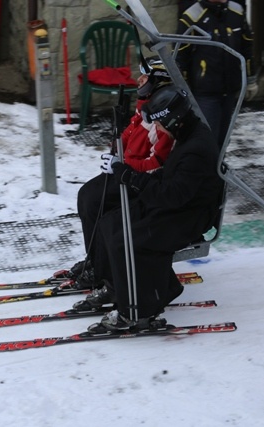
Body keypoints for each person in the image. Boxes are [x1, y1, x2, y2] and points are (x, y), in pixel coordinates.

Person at [75, 84, 224, 333]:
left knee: (129, 238)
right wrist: (131, 175)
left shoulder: (196, 148)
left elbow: (173, 195)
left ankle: (138, 312)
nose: (159, 130)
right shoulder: (187, 135)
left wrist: (132, 178)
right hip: (178, 204)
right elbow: (169, 182)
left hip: (190, 215)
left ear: (174, 121)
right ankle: (130, 285)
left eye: (161, 124)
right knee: (111, 222)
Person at [69, 58, 174, 288]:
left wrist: (123, 167)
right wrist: (116, 150)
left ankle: (103, 270)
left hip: (140, 182)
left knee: (96, 202)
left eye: (145, 77)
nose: (139, 80)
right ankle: (96, 260)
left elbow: (156, 163)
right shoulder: (145, 106)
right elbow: (129, 135)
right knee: (87, 196)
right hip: (126, 172)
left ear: (159, 81)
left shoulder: (161, 117)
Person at [176, 0, 257, 149]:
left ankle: (218, 169)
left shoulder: (236, 11)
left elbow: (247, 47)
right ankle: (205, 171)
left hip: (230, 87)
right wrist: (184, 91)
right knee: (207, 139)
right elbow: (181, 57)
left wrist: (250, 79)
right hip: (205, 92)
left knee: (224, 139)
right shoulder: (191, 17)